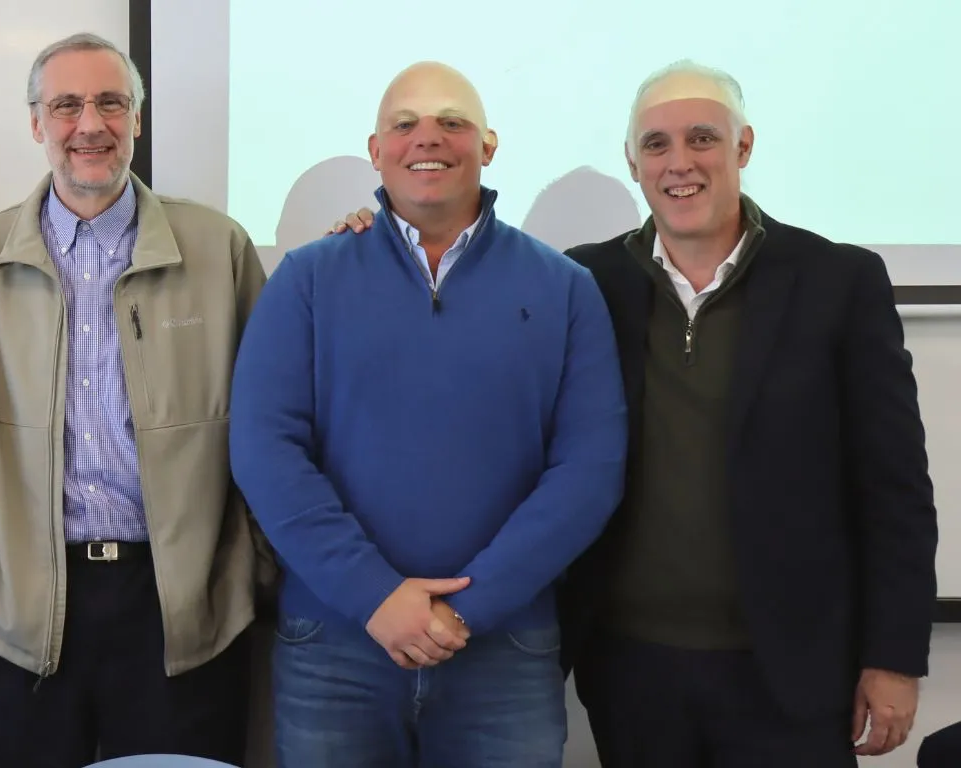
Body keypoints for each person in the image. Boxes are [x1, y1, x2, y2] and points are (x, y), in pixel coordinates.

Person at [326, 60, 938, 766]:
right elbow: (462, 314)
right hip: (631, 670)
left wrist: (894, 658)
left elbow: (894, 488)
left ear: (742, 147)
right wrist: (375, 235)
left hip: (795, 669)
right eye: (656, 144)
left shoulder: (838, 281)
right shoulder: (584, 281)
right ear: (633, 161)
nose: (680, 162)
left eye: (702, 138)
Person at [230, 61, 628, 767]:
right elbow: (265, 451)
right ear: (376, 149)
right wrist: (375, 597)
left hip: (504, 652)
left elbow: (588, 472)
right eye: (404, 124)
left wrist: (467, 609)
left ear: (489, 145)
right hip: (335, 649)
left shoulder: (565, 288)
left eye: (452, 122)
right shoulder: (307, 280)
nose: (428, 138)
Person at [0, 32, 270, 768]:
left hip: (179, 611)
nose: (91, 124)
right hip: (14, 608)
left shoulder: (218, 249)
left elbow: (267, 425)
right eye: (67, 106)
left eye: (111, 103)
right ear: (36, 123)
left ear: (138, 119)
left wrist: (244, 569)